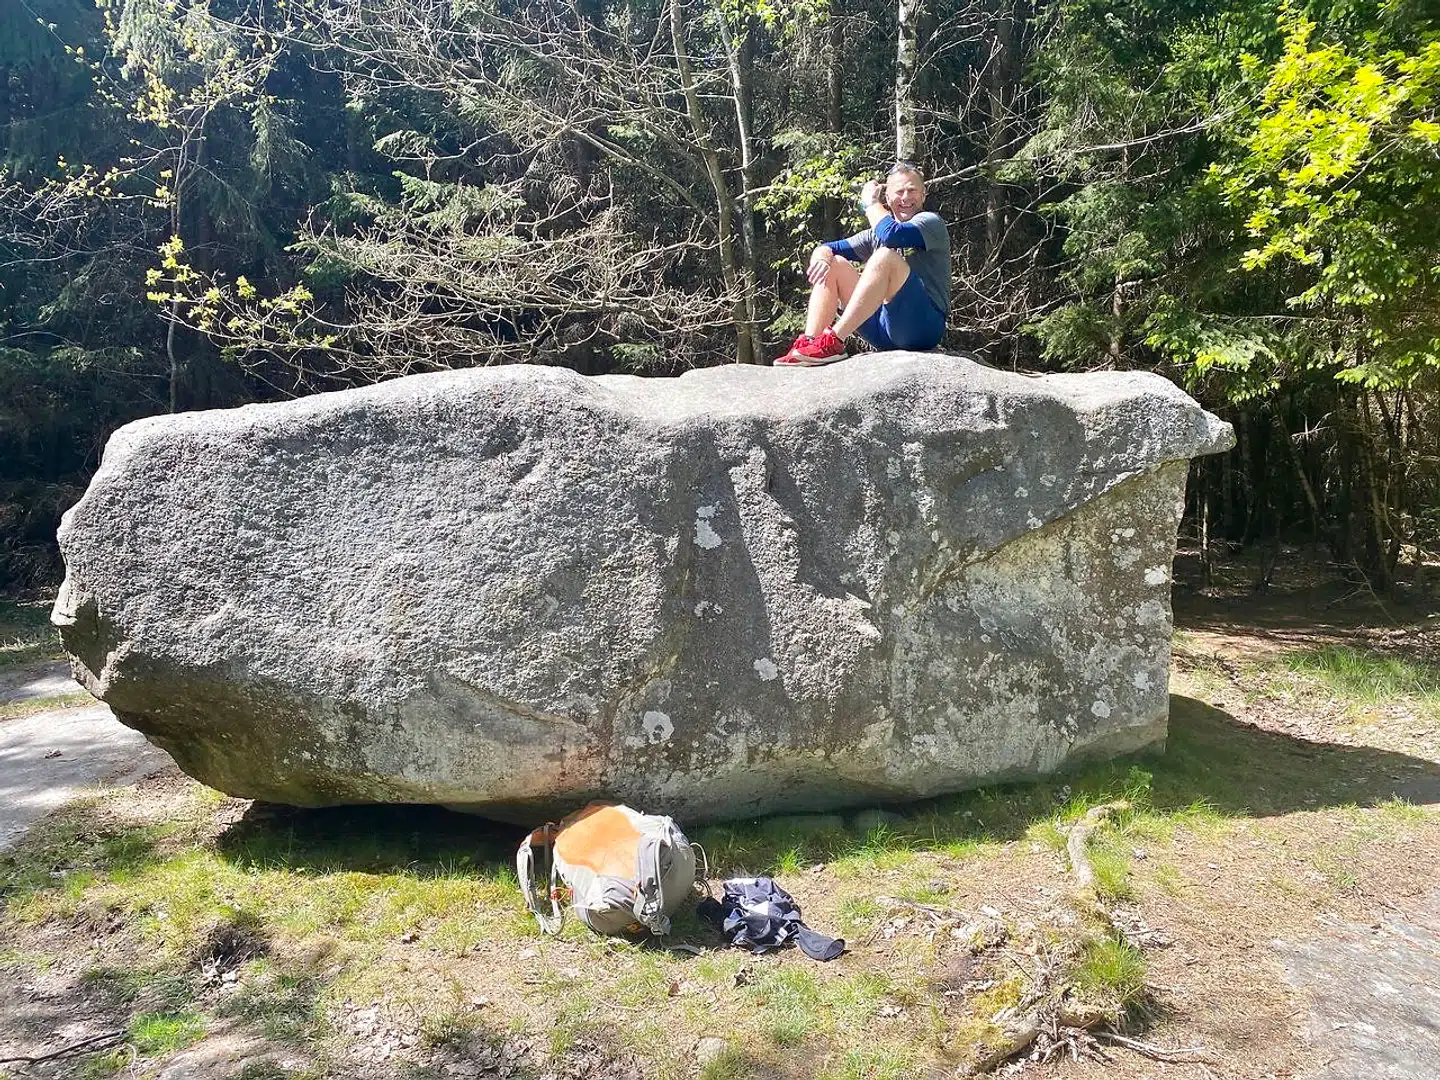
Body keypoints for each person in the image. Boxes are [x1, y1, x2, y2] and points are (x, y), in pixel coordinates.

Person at [775, 161, 950, 366]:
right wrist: (822, 257)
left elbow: (893, 235)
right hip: (883, 332)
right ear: (887, 196)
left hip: (924, 329)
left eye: (912, 190)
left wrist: (870, 203)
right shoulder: (874, 235)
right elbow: (828, 247)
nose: (905, 197)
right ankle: (810, 345)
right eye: (899, 191)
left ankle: (833, 341)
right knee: (835, 263)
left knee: (885, 257)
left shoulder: (930, 222)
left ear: (923, 194)